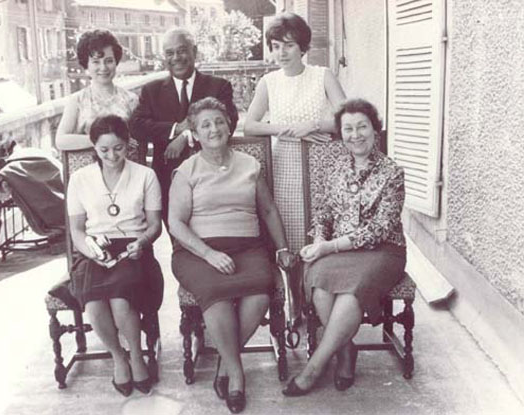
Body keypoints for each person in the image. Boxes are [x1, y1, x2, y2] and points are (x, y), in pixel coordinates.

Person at [168, 98, 295, 413]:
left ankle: (226, 363)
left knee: (260, 291)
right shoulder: (187, 170)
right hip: (197, 251)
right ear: (195, 133)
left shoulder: (250, 164)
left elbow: (268, 210)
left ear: (229, 125)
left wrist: (281, 248)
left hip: (248, 247)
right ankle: (236, 374)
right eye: (205, 125)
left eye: (219, 121)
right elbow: (176, 223)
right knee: (217, 295)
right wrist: (209, 254)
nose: (214, 129)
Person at [282, 99, 407, 396]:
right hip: (338, 250)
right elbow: (323, 214)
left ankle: (314, 367)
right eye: (348, 129)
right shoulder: (335, 168)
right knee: (321, 286)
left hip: (383, 251)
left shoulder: (392, 172)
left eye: (362, 127)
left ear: (375, 129)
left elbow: (380, 229)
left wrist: (329, 247)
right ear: (341, 134)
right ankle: (345, 351)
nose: (355, 135)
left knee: (351, 292)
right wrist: (318, 241)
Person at [244, 12, 346, 325]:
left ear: (302, 46)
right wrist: (287, 130)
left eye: (288, 45)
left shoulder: (322, 75)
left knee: (319, 231)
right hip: (284, 165)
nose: (282, 52)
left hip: (320, 167)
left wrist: (312, 125)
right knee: (288, 235)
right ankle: (294, 303)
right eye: (276, 46)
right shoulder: (269, 82)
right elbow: (250, 125)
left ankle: (320, 299)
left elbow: (346, 118)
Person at [66, 115, 163, 396]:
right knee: (94, 304)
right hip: (93, 249)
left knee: (121, 299)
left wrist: (142, 242)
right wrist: (91, 252)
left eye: (118, 148)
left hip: (134, 249)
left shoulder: (145, 175)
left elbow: (155, 225)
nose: (112, 156)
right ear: (94, 147)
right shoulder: (80, 179)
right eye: (104, 149)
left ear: (128, 144)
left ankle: (136, 356)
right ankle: (118, 357)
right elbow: (76, 229)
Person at [130, 28, 238, 225]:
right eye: (170, 53)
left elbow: (229, 121)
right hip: (167, 179)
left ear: (194, 51)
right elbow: (136, 127)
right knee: (178, 236)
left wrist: (186, 136)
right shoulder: (152, 91)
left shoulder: (218, 86)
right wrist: (176, 129)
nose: (176, 58)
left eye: (181, 51)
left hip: (212, 178)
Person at [56, 30, 138, 151]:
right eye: (96, 62)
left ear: (116, 62)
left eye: (109, 61)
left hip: (123, 162)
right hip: (86, 162)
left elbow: (139, 139)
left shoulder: (131, 100)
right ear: (86, 65)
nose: (103, 68)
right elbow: (61, 141)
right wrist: (99, 140)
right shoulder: (77, 100)